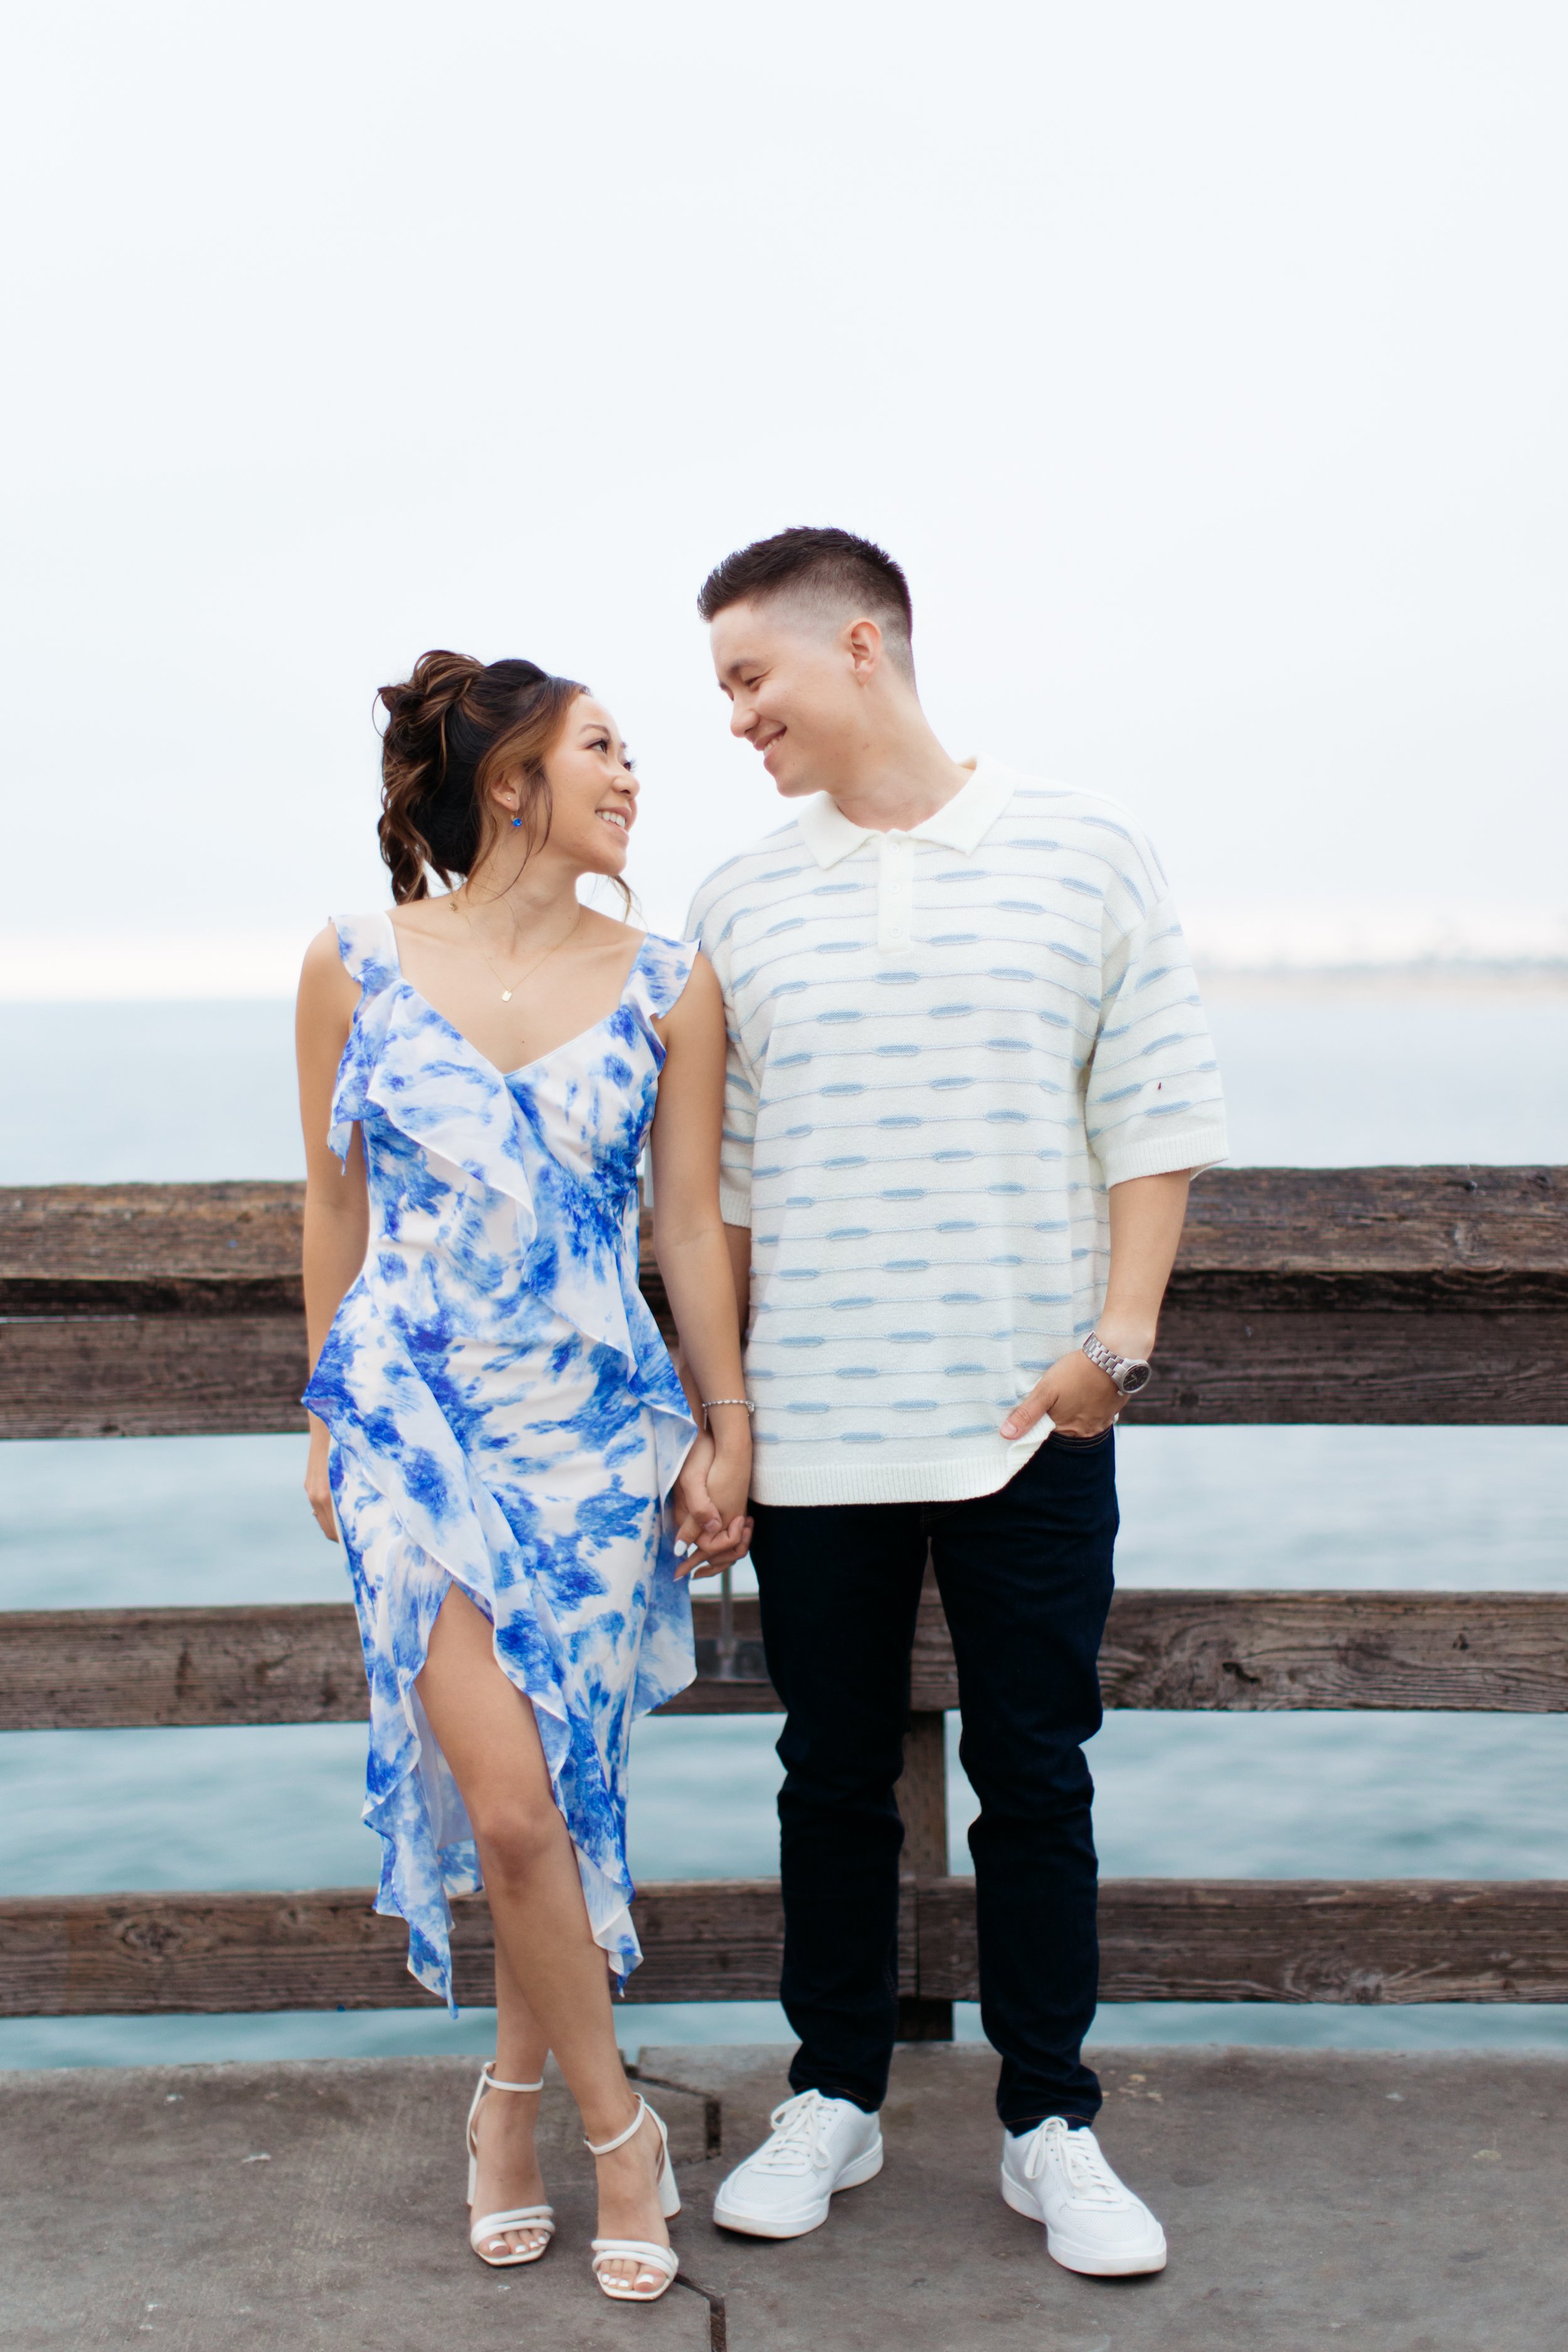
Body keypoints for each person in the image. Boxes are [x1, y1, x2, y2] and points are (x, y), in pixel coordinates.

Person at [685, 529, 1228, 2278]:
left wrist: (1113, 1353)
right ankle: (831, 2094)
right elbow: (734, 1187)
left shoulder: (1081, 851)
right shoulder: (741, 898)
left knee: (1037, 1776)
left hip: (1027, 1420)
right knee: (825, 1778)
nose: (736, 720)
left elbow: (1150, 1107)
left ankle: (1047, 2122)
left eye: (749, 680)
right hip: (820, 1428)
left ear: (859, 648)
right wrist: (730, 1419)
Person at [295, 652, 753, 2305]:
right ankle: (617, 2126)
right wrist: (325, 1417)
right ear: (511, 784)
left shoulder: (667, 982)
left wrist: (728, 1426)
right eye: (605, 751)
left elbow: (687, 1226)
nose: (635, 778)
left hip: (588, 1436)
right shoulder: (353, 964)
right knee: (505, 1801)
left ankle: (502, 2107)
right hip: (412, 1420)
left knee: (540, 1816)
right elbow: (332, 1211)